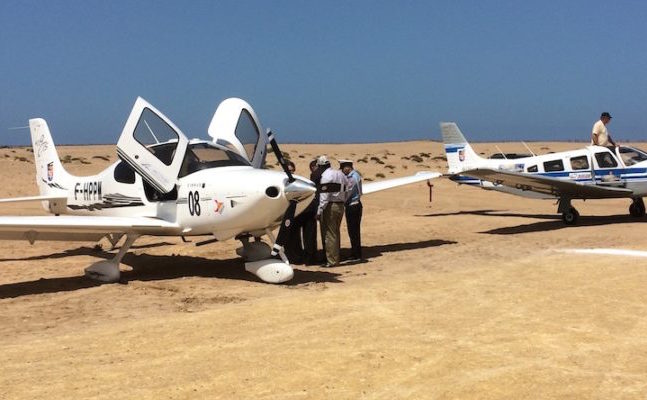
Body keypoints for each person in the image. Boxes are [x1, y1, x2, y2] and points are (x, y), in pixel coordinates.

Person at [316, 155, 349, 267]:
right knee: (335, 233)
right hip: (340, 205)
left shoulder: (326, 176)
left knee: (330, 234)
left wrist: (319, 210)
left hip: (330, 206)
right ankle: (335, 257)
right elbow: (347, 189)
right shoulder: (340, 174)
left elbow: (324, 196)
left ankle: (332, 261)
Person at [340, 160, 363, 261]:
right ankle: (356, 252)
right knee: (354, 231)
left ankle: (356, 254)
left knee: (353, 231)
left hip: (352, 206)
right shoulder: (356, 175)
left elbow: (348, 193)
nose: (342, 171)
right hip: (356, 205)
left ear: (347, 167)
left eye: (342, 168)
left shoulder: (352, 178)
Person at [300, 159, 320, 265]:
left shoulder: (315, 175)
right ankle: (310, 258)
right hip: (310, 210)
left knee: (310, 236)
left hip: (310, 209)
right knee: (310, 235)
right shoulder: (316, 175)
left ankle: (310, 257)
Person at [284, 160, 303, 264]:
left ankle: (297, 255)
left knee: (295, 235)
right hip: (285, 212)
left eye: (292, 170)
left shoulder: (297, 181)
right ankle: (289, 254)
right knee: (286, 235)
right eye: (288, 170)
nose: (291, 172)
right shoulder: (282, 181)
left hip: (296, 212)